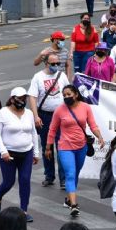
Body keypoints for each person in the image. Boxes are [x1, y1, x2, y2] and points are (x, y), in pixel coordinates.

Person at [46, 85, 105, 217]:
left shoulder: (85, 107)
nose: (66, 97)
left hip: (81, 146)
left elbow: (93, 125)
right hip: (65, 147)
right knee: (70, 174)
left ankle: (68, 198)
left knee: (76, 173)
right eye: (64, 95)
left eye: (69, 94)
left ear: (76, 94)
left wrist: (99, 136)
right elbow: (52, 129)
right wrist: (48, 147)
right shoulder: (59, 110)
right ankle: (73, 205)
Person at [0, 87, 39, 222]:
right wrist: (3, 151)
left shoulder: (29, 113)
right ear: (12, 99)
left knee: (25, 181)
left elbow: (33, 133)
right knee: (9, 182)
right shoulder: (3, 113)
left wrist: (36, 152)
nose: (22, 101)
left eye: (24, 98)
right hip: (9, 154)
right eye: (20, 98)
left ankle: (23, 211)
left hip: (26, 152)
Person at [28, 53, 70, 188]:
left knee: (62, 147)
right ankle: (49, 175)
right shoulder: (38, 77)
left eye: (58, 63)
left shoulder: (62, 76)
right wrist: (36, 116)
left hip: (61, 116)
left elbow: (69, 93)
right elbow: (32, 97)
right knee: (47, 146)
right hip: (45, 116)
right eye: (53, 64)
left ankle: (63, 179)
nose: (56, 66)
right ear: (46, 63)